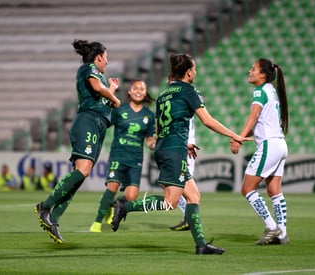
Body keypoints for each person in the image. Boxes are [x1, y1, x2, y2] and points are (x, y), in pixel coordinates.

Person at [111, 53, 252, 255]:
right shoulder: (189, 91)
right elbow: (208, 121)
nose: (195, 72)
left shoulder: (163, 94)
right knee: (170, 203)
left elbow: (161, 129)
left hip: (167, 148)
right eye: (194, 69)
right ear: (188, 72)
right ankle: (126, 206)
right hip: (174, 151)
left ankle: (201, 245)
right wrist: (235, 135)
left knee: (193, 196)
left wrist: (182, 143)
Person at [34, 39, 121, 244]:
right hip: (88, 121)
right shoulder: (88, 68)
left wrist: (112, 90)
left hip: (97, 125)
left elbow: (101, 97)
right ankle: (45, 207)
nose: (107, 63)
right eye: (106, 58)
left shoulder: (99, 76)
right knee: (82, 171)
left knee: (81, 176)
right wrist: (115, 98)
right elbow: (96, 87)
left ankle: (53, 220)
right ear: (99, 57)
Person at [230, 58, 289, 245]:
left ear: (262, 74)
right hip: (280, 144)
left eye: (253, 69)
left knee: (247, 188)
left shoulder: (259, 91)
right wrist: (251, 137)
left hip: (269, 146)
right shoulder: (272, 91)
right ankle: (282, 234)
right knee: (274, 190)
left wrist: (239, 137)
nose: (250, 71)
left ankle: (272, 227)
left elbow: (254, 116)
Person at [89, 79, 155, 233]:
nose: (139, 91)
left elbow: (150, 140)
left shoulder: (149, 116)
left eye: (142, 89)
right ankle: (97, 223)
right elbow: (104, 122)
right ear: (130, 92)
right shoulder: (120, 110)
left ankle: (113, 204)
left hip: (135, 159)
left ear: (145, 93)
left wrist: (153, 146)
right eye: (136, 88)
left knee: (131, 197)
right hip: (118, 155)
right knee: (112, 187)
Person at [169, 115, 199, 231]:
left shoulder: (187, 99)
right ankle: (189, 218)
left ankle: (189, 218)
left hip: (184, 147)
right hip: (183, 145)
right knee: (173, 184)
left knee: (179, 186)